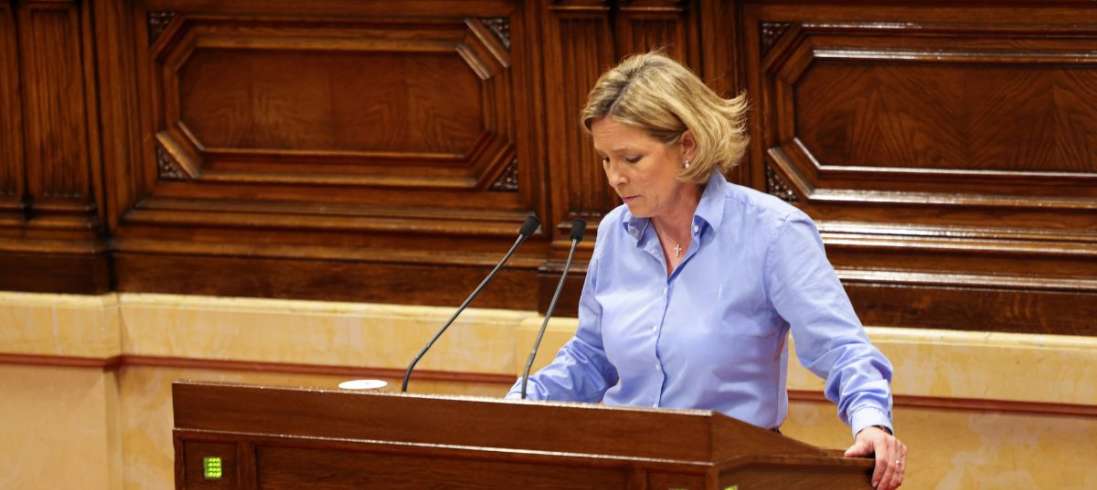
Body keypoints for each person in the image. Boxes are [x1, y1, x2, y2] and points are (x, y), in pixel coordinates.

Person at [506, 52, 906, 489]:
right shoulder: (613, 234)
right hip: (624, 472)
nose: (614, 177)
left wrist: (871, 422)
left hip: (732, 475)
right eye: (605, 159)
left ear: (687, 146)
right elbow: (591, 357)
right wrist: (514, 407)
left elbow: (842, 349)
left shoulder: (772, 232)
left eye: (631, 159)